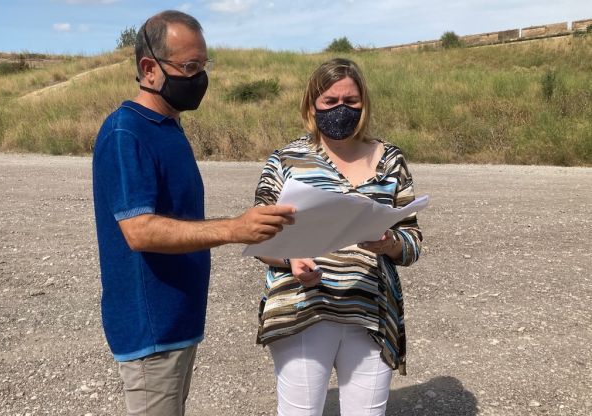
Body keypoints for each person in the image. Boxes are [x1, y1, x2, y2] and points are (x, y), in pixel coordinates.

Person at [91, 10, 295, 416]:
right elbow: (139, 231)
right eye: (189, 67)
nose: (199, 78)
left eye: (203, 66)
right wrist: (234, 229)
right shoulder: (125, 132)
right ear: (149, 68)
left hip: (178, 320)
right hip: (152, 329)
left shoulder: (167, 127)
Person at [253, 58, 423, 416]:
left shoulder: (391, 160)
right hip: (303, 308)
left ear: (364, 104)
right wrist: (290, 260)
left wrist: (390, 243)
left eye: (351, 102)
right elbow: (258, 236)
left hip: (371, 314)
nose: (340, 110)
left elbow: (411, 242)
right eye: (330, 102)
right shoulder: (286, 160)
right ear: (312, 104)